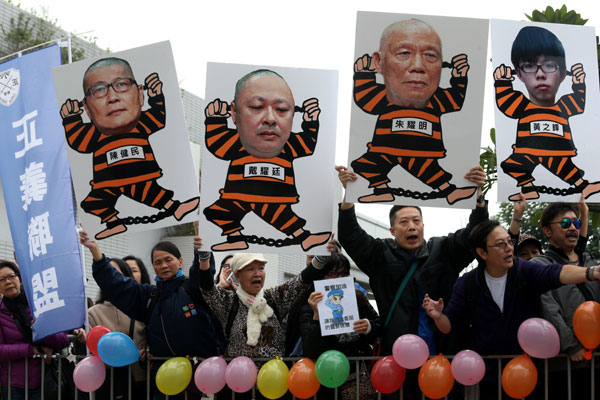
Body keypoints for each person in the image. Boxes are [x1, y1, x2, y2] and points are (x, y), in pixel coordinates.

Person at [336, 164, 487, 397]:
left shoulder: (443, 249)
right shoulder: (380, 254)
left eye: (416, 220)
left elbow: (473, 235)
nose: (412, 226)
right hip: (397, 364)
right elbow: (351, 236)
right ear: (392, 230)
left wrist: (478, 195)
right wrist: (348, 193)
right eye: (404, 222)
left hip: (442, 360)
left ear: (423, 226)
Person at [423, 219, 600, 398]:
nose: (509, 248)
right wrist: (438, 316)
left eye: (509, 241)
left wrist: (591, 272)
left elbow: (557, 273)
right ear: (482, 252)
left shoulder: (523, 270)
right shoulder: (467, 283)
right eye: (500, 244)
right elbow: (448, 326)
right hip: (486, 377)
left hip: (528, 373)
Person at [60, 57, 198, 239]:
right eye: (99, 90)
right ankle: (114, 222)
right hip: (107, 182)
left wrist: (156, 96)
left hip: (141, 176)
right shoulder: (94, 133)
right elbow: (78, 142)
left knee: (151, 193)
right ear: (86, 107)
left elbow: (158, 117)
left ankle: (177, 208)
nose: (113, 98)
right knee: (93, 203)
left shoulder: (141, 124)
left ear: (140, 94)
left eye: (122, 84)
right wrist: (71, 119)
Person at [79, 231, 223, 400]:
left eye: (168, 259)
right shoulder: (149, 296)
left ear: (180, 261)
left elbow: (203, 275)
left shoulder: (192, 288)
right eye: (157, 262)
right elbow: (117, 286)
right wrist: (96, 253)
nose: (163, 265)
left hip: (202, 375)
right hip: (164, 379)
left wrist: (202, 250)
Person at [351, 19, 476, 205]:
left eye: (431, 56)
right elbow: (364, 99)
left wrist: (459, 77)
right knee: (364, 165)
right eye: (404, 53)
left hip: (423, 150)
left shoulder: (437, 100)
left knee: (426, 169)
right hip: (384, 149)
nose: (418, 66)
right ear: (379, 62)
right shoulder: (382, 97)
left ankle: (450, 191)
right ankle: (382, 190)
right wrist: (363, 75)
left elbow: (455, 101)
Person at [203, 69, 330, 252]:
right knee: (216, 211)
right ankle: (235, 237)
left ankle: (304, 237)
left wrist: (311, 122)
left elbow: (307, 145)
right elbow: (217, 145)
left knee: (280, 215)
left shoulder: (288, 143)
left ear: (293, 113)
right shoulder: (236, 141)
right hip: (237, 195)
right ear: (234, 112)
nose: (270, 119)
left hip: (274, 196)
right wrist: (215, 119)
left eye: (282, 110)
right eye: (256, 107)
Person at [494, 26, 600, 201]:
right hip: (528, 151)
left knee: (567, 170)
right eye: (529, 66)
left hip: (558, 152)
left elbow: (580, 103)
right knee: (513, 165)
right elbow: (506, 104)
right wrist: (502, 82)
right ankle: (528, 189)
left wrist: (579, 84)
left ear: (563, 74)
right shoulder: (521, 105)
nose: (540, 74)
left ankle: (585, 186)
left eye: (549, 65)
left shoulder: (564, 106)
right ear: (519, 74)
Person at [534, 201, 599, 399]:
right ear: (547, 231)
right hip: (565, 364)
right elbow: (549, 309)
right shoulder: (540, 266)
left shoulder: (590, 263)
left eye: (576, 224)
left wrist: (584, 212)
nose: (572, 228)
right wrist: (571, 345)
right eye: (564, 223)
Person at [298, 254, 380, 399]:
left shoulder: (358, 298)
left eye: (343, 273)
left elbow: (379, 325)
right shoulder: (309, 307)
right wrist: (316, 314)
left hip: (358, 377)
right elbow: (311, 348)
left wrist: (369, 326)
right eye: (333, 273)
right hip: (328, 380)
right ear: (322, 277)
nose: (339, 277)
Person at [0, 260, 69, 400]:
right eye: (1, 279)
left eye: (11, 276)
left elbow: (63, 340)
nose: (8, 282)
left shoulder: (40, 305)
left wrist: (42, 329)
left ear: (20, 279)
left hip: (45, 379)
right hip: (13, 384)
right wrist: (31, 350)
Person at [88, 258, 147, 400]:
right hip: (109, 382)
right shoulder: (93, 313)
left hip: (141, 380)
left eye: (115, 274)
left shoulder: (142, 306)